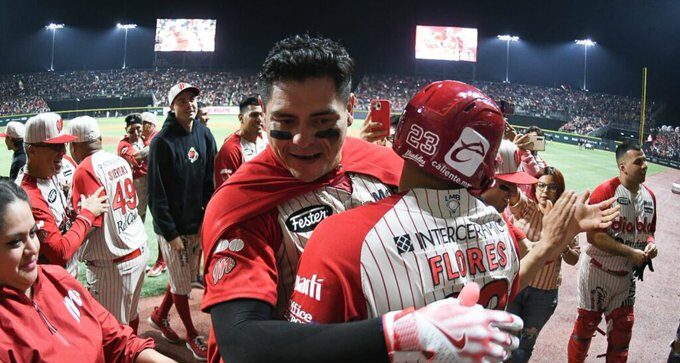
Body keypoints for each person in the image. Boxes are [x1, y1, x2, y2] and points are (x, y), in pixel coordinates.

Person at [202, 34, 521, 363]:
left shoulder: (386, 164)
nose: (301, 139)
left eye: (322, 122)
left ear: (350, 109)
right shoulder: (242, 202)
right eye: (284, 121)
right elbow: (241, 342)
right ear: (265, 114)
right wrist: (402, 332)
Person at [288, 80, 617, 330]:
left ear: (407, 134)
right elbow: (510, 285)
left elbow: (306, 348)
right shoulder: (498, 227)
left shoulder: (341, 238)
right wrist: (547, 247)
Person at [0, 179, 175, 363]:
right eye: (15, 242)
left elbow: (118, 342)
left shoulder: (58, 279)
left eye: (33, 233)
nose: (33, 248)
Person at [568, 142, 658, 363]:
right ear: (623, 167)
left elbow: (649, 232)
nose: (645, 166)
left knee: (622, 336)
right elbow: (593, 236)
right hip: (597, 274)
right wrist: (629, 252)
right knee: (584, 331)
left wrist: (650, 244)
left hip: (626, 278)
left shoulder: (650, 197)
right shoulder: (606, 191)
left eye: (645, 160)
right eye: (638, 162)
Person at [147, 82, 216, 361]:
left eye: (192, 99)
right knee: (181, 285)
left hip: (195, 223)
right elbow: (156, 194)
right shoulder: (161, 142)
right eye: (183, 100)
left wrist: (205, 219)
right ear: (172, 106)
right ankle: (191, 334)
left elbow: (209, 184)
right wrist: (171, 233)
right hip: (171, 229)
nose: (190, 104)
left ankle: (159, 316)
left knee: (182, 279)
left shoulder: (205, 134)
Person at [68, 116, 149, 333]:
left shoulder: (84, 169)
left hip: (113, 264)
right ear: (100, 139)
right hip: (138, 250)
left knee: (110, 331)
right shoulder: (119, 160)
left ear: (73, 146)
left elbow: (90, 223)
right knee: (131, 317)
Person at [505, 166, 581, 363]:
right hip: (516, 284)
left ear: (559, 190)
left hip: (543, 294)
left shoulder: (566, 219)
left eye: (551, 187)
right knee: (504, 339)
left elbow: (573, 259)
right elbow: (513, 194)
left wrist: (562, 244)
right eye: (541, 186)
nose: (545, 192)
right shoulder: (526, 207)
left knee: (525, 344)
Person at [20, 112, 107, 276]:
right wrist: (87, 214)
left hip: (67, 275)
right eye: (54, 146)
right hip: (50, 283)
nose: (63, 151)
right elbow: (60, 253)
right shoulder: (28, 196)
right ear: (32, 151)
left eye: (64, 145)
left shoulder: (48, 174)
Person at [213, 96, 268, 186]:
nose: (260, 119)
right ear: (241, 118)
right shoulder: (230, 150)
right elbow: (225, 190)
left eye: (261, 115)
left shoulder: (266, 138)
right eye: (254, 115)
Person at [140, 111, 166, 278]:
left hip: (160, 188)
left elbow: (140, 155)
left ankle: (162, 262)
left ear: (149, 125)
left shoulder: (155, 139)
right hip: (154, 186)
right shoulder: (149, 139)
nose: (140, 128)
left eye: (142, 124)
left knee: (159, 226)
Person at [117, 113, 149, 222]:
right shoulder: (123, 145)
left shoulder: (144, 140)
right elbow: (137, 156)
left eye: (138, 129)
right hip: (134, 184)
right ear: (126, 130)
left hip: (148, 181)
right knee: (137, 216)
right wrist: (155, 143)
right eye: (131, 130)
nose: (135, 133)